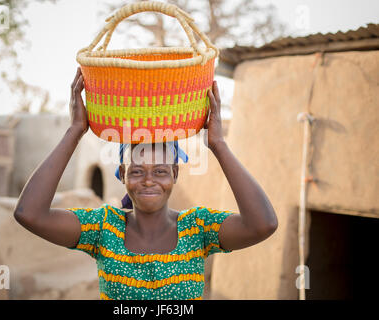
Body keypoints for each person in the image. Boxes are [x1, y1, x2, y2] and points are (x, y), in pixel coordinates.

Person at [14, 67, 278, 300]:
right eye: (137, 171)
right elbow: (29, 214)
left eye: (161, 171)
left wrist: (218, 145)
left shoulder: (197, 229)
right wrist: (75, 131)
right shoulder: (104, 228)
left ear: (175, 174)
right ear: (123, 174)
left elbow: (262, 224)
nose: (149, 181)